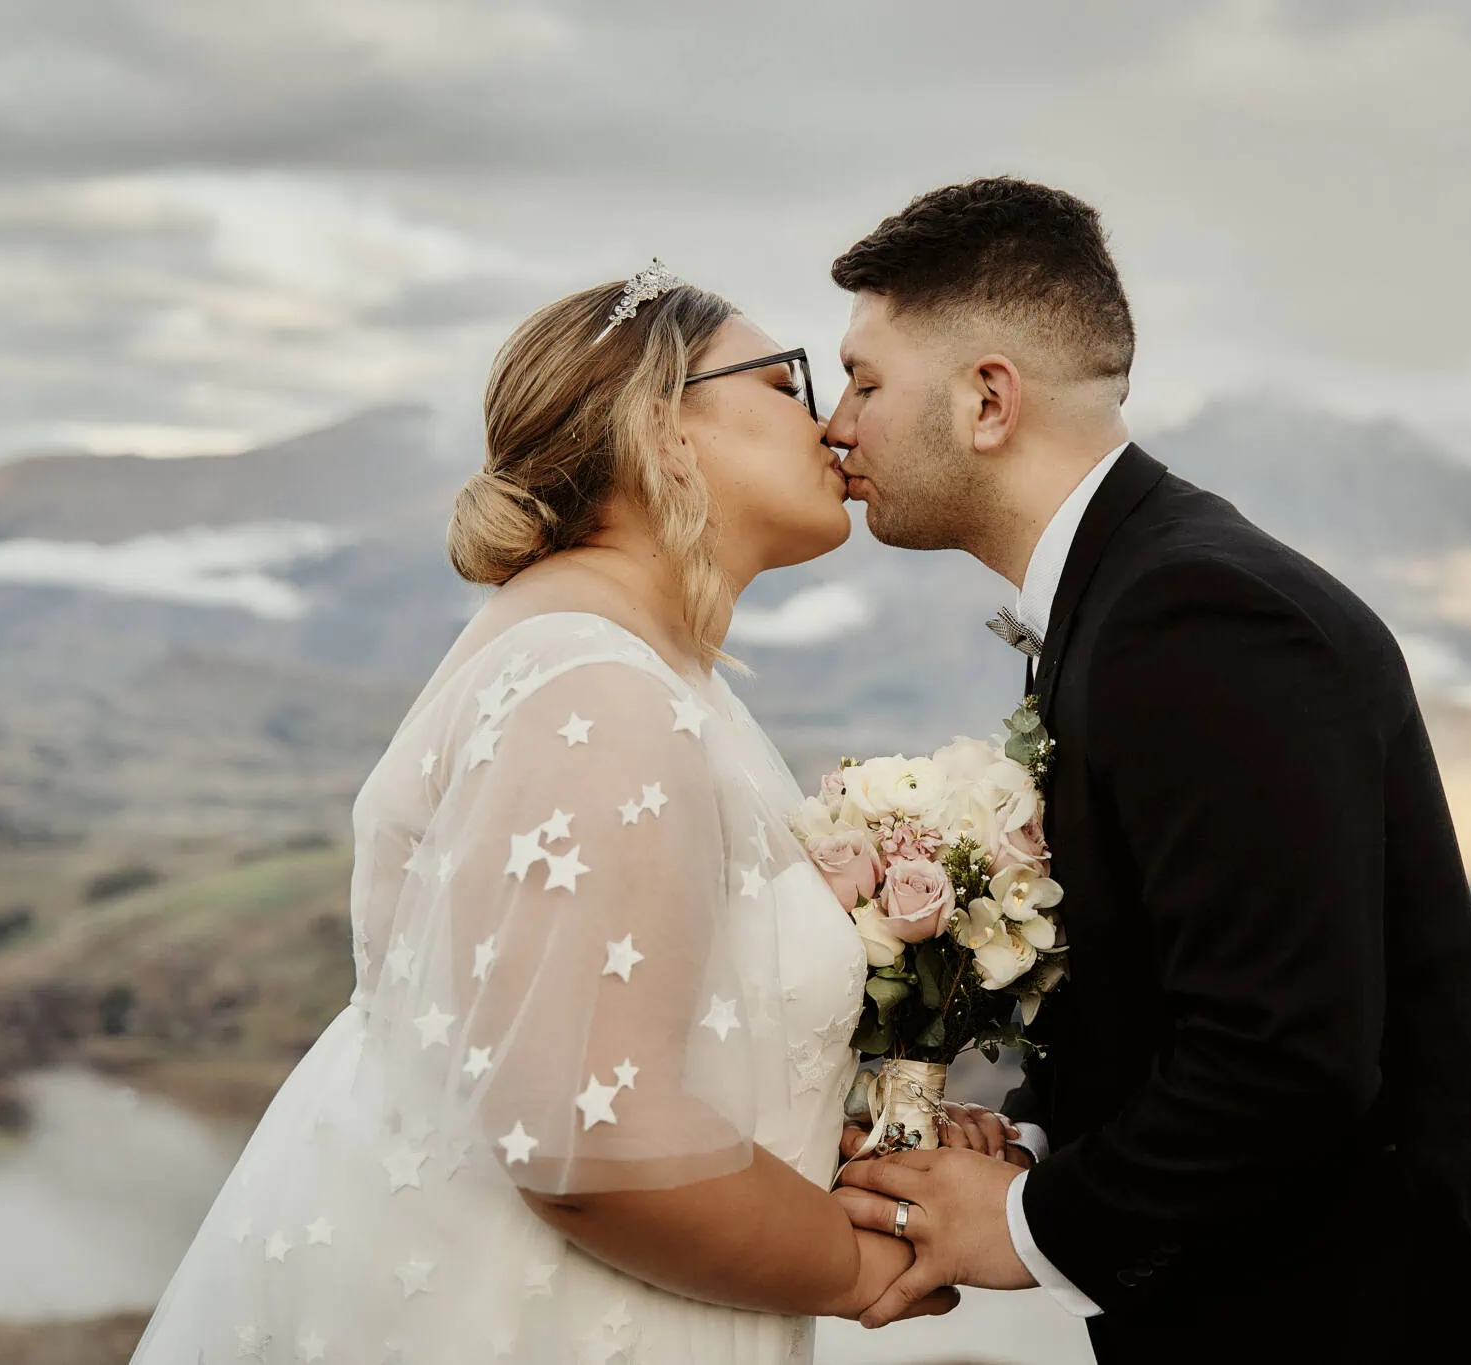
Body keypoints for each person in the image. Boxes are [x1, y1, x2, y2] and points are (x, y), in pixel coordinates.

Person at [826, 179, 1471, 1365]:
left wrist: (1023, 1226)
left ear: (987, 400)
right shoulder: (1130, 595)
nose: (836, 425)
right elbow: (1181, 975)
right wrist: (1031, 1142)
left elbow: (1285, 1056)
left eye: (863, 382)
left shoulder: (1195, 613)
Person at [128, 264, 960, 1365]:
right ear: (660, 426)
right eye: (784, 380)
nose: (829, 423)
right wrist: (856, 1264)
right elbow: (589, 1142)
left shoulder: (636, 671)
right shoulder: (595, 687)